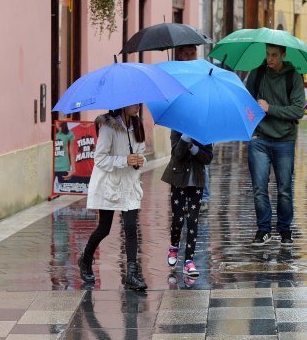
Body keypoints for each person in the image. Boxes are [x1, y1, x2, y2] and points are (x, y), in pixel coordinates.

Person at [78, 104, 147, 290]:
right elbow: (99, 159)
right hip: (111, 185)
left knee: (131, 227)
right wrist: (124, 160)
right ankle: (85, 259)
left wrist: (140, 160)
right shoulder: (108, 128)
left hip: (130, 184)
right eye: (134, 102)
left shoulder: (138, 125)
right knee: (104, 228)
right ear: (124, 105)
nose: (138, 106)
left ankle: (132, 273)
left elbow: (141, 153)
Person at [245, 43, 306, 245]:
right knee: (259, 188)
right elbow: (245, 102)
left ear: (283, 54)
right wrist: (252, 123)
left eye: (274, 55)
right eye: (268, 54)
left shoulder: (293, 77)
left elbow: (298, 111)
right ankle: (263, 229)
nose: (270, 59)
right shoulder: (258, 74)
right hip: (260, 140)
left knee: (284, 189)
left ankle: (285, 229)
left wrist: (270, 108)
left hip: (285, 140)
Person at [161, 130, 213, 278]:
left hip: (197, 182)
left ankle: (189, 261)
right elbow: (177, 154)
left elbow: (207, 158)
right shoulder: (177, 129)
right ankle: (174, 246)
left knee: (192, 221)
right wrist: (186, 137)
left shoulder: (204, 131)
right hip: (178, 179)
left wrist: (193, 147)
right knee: (178, 220)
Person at [174, 44, 210, 213]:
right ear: (180, 55)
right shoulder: (176, 72)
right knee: (179, 153)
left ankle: (204, 196)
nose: (190, 57)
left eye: (192, 53)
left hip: (200, 117)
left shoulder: (202, 70)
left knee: (201, 155)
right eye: (186, 54)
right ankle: (180, 188)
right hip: (179, 118)